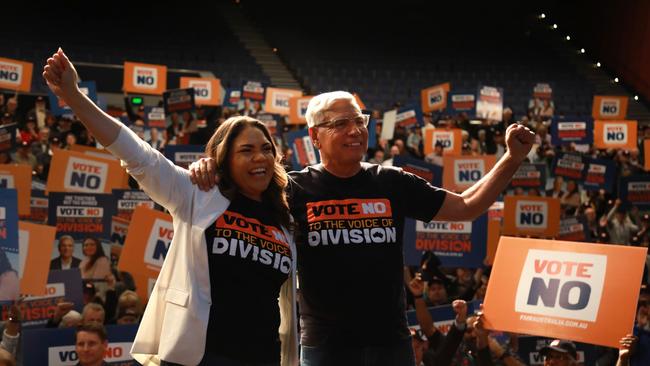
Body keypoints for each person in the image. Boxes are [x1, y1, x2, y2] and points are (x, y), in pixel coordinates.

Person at [190, 90, 534, 365]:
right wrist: (210, 169)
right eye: (340, 123)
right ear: (315, 136)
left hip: (391, 346)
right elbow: (242, 180)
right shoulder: (291, 190)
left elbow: (467, 207)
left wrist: (512, 159)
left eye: (359, 120)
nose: (354, 130)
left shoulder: (392, 182)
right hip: (325, 349)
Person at [43, 49, 298, 366]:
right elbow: (138, 155)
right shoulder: (198, 194)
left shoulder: (285, 215)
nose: (259, 157)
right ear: (224, 159)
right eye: (246, 150)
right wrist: (74, 96)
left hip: (263, 356)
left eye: (266, 149)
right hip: (198, 355)